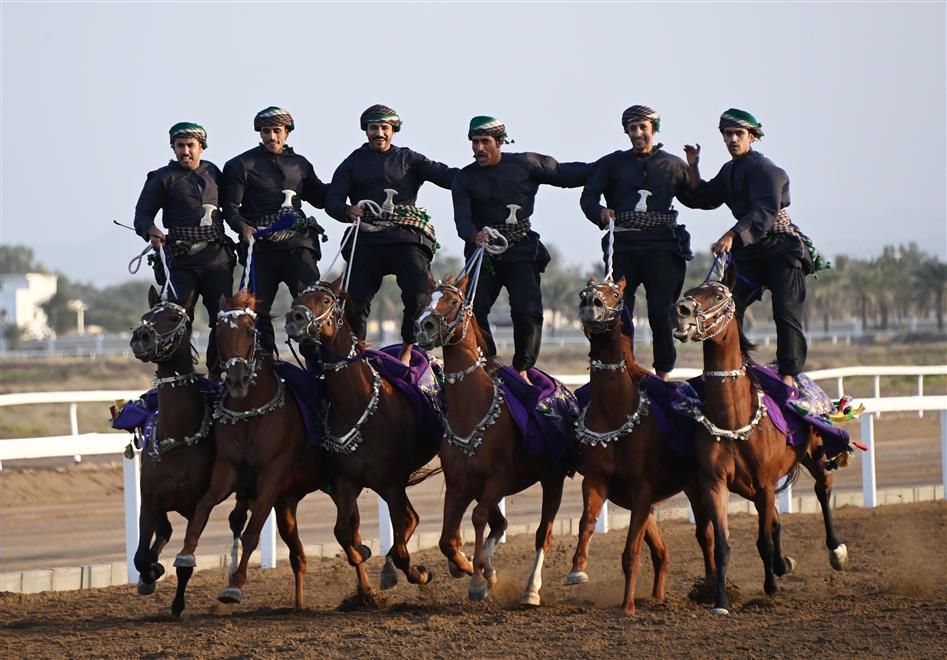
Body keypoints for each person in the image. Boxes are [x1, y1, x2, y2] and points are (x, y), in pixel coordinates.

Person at [677, 108, 815, 386]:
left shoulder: (768, 171)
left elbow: (764, 211)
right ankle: (734, 366)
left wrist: (731, 234)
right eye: (728, 134)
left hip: (782, 249)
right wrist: (692, 165)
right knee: (727, 306)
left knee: (785, 313)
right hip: (750, 253)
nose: (732, 139)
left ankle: (788, 376)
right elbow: (702, 197)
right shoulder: (729, 171)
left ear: (752, 137)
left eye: (739, 134)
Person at [451, 116, 590, 382]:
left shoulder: (526, 164)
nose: (479, 148)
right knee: (473, 308)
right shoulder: (464, 178)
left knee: (526, 311)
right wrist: (474, 235)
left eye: (485, 142)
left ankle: (522, 369)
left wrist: (609, 169)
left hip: (521, 250)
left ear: (500, 142)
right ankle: (489, 360)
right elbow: (462, 222)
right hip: (483, 255)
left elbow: (565, 174)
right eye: (475, 142)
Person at [326, 104, 456, 365]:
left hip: (405, 237)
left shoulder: (410, 159)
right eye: (374, 128)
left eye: (385, 128)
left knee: (418, 292)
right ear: (366, 131)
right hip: (366, 238)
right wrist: (347, 210)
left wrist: (480, 176)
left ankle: (408, 350)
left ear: (394, 130)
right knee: (355, 299)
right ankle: (357, 354)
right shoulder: (352, 162)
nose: (379, 133)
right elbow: (332, 199)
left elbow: (448, 176)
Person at [580, 105, 692, 380]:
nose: (638, 133)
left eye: (643, 127)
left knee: (660, 312)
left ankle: (663, 375)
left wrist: (695, 167)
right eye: (632, 128)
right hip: (623, 247)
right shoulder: (612, 163)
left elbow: (699, 197)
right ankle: (623, 368)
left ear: (654, 129)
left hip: (662, 247)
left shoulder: (674, 164)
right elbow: (588, 197)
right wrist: (600, 212)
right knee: (619, 311)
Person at [221, 106, 329, 355]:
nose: (272, 137)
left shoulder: (300, 165)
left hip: (298, 246)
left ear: (287, 133)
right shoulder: (241, 165)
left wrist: (350, 199)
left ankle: (318, 365)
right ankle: (265, 362)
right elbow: (230, 207)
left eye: (277, 131)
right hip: (260, 250)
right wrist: (242, 226)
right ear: (260, 133)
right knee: (253, 313)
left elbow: (322, 197)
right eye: (266, 131)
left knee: (311, 305)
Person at [133, 121, 233, 376]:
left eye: (191, 145)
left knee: (222, 320)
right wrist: (151, 231)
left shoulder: (215, 174)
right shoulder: (161, 178)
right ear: (173, 147)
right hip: (180, 262)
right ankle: (181, 375)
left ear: (202, 147)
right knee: (177, 320)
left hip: (216, 261)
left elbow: (233, 208)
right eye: (180, 146)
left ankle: (216, 373)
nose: (185, 151)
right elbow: (142, 215)